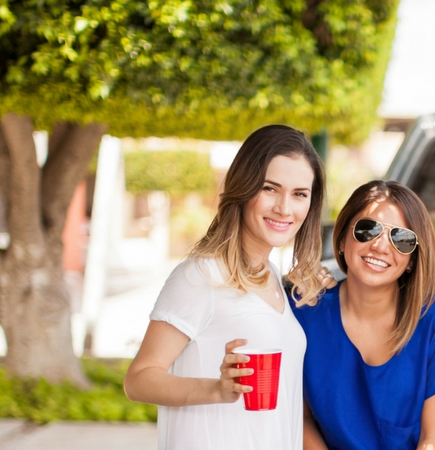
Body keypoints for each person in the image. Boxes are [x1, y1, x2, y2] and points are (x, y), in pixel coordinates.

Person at [124, 125, 327, 449]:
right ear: (244, 189)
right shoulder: (201, 275)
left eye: (299, 194)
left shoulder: (272, 275)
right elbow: (139, 379)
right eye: (270, 188)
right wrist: (215, 389)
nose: (284, 208)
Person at [292, 180, 435, 450]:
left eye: (401, 238)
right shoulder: (305, 316)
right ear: (342, 239)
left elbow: (433, 442)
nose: (380, 246)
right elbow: (300, 419)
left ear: (412, 258)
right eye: (367, 230)